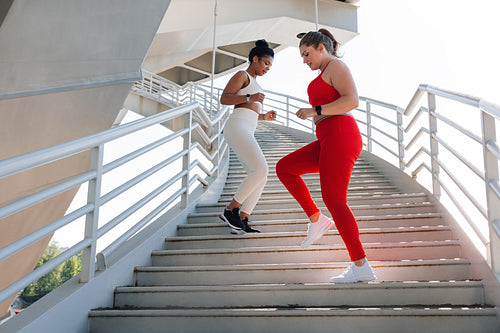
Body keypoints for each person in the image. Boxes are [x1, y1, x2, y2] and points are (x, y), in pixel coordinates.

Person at [275, 29, 376, 283]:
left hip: (341, 133)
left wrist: (315, 110)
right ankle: (317, 219)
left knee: (334, 199)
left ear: (321, 47)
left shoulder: (336, 66)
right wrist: (316, 114)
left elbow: (352, 100)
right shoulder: (324, 73)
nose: (304, 60)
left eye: (306, 53)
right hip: (327, 138)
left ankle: (360, 265)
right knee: (285, 168)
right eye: (301, 56)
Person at [219, 39, 277, 234]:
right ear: (255, 58)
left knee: (261, 175)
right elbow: (225, 98)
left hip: (246, 126)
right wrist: (248, 98)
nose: (267, 68)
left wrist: (263, 117)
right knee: (261, 169)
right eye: (265, 63)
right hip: (236, 126)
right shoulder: (242, 75)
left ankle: (242, 219)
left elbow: (249, 110)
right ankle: (230, 209)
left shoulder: (256, 84)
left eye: (270, 65)